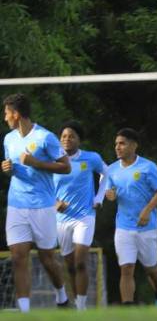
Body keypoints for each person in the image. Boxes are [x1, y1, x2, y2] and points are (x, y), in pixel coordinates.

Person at [2, 93, 71, 312]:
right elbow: (13, 167)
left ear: (16, 114)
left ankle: (61, 297)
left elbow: (66, 167)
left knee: (47, 258)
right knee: (18, 257)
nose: (4, 118)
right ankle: (25, 312)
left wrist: (36, 162)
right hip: (16, 205)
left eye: (6, 113)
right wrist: (6, 168)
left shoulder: (45, 137)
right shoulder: (8, 139)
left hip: (42, 206)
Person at [105, 128, 157, 306]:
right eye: (116, 144)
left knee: (150, 269)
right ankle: (128, 308)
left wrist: (147, 211)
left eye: (122, 143)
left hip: (147, 228)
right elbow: (111, 191)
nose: (117, 147)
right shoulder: (111, 169)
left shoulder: (148, 167)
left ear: (134, 145)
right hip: (124, 227)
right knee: (126, 268)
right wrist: (111, 195)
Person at [54, 121, 108, 310]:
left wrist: (99, 197)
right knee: (70, 266)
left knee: (80, 262)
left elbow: (107, 174)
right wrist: (55, 203)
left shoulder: (91, 158)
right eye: (63, 137)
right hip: (61, 220)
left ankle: (82, 308)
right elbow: (42, 186)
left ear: (79, 140)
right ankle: (76, 303)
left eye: (71, 136)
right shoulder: (53, 160)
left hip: (85, 217)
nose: (67, 140)